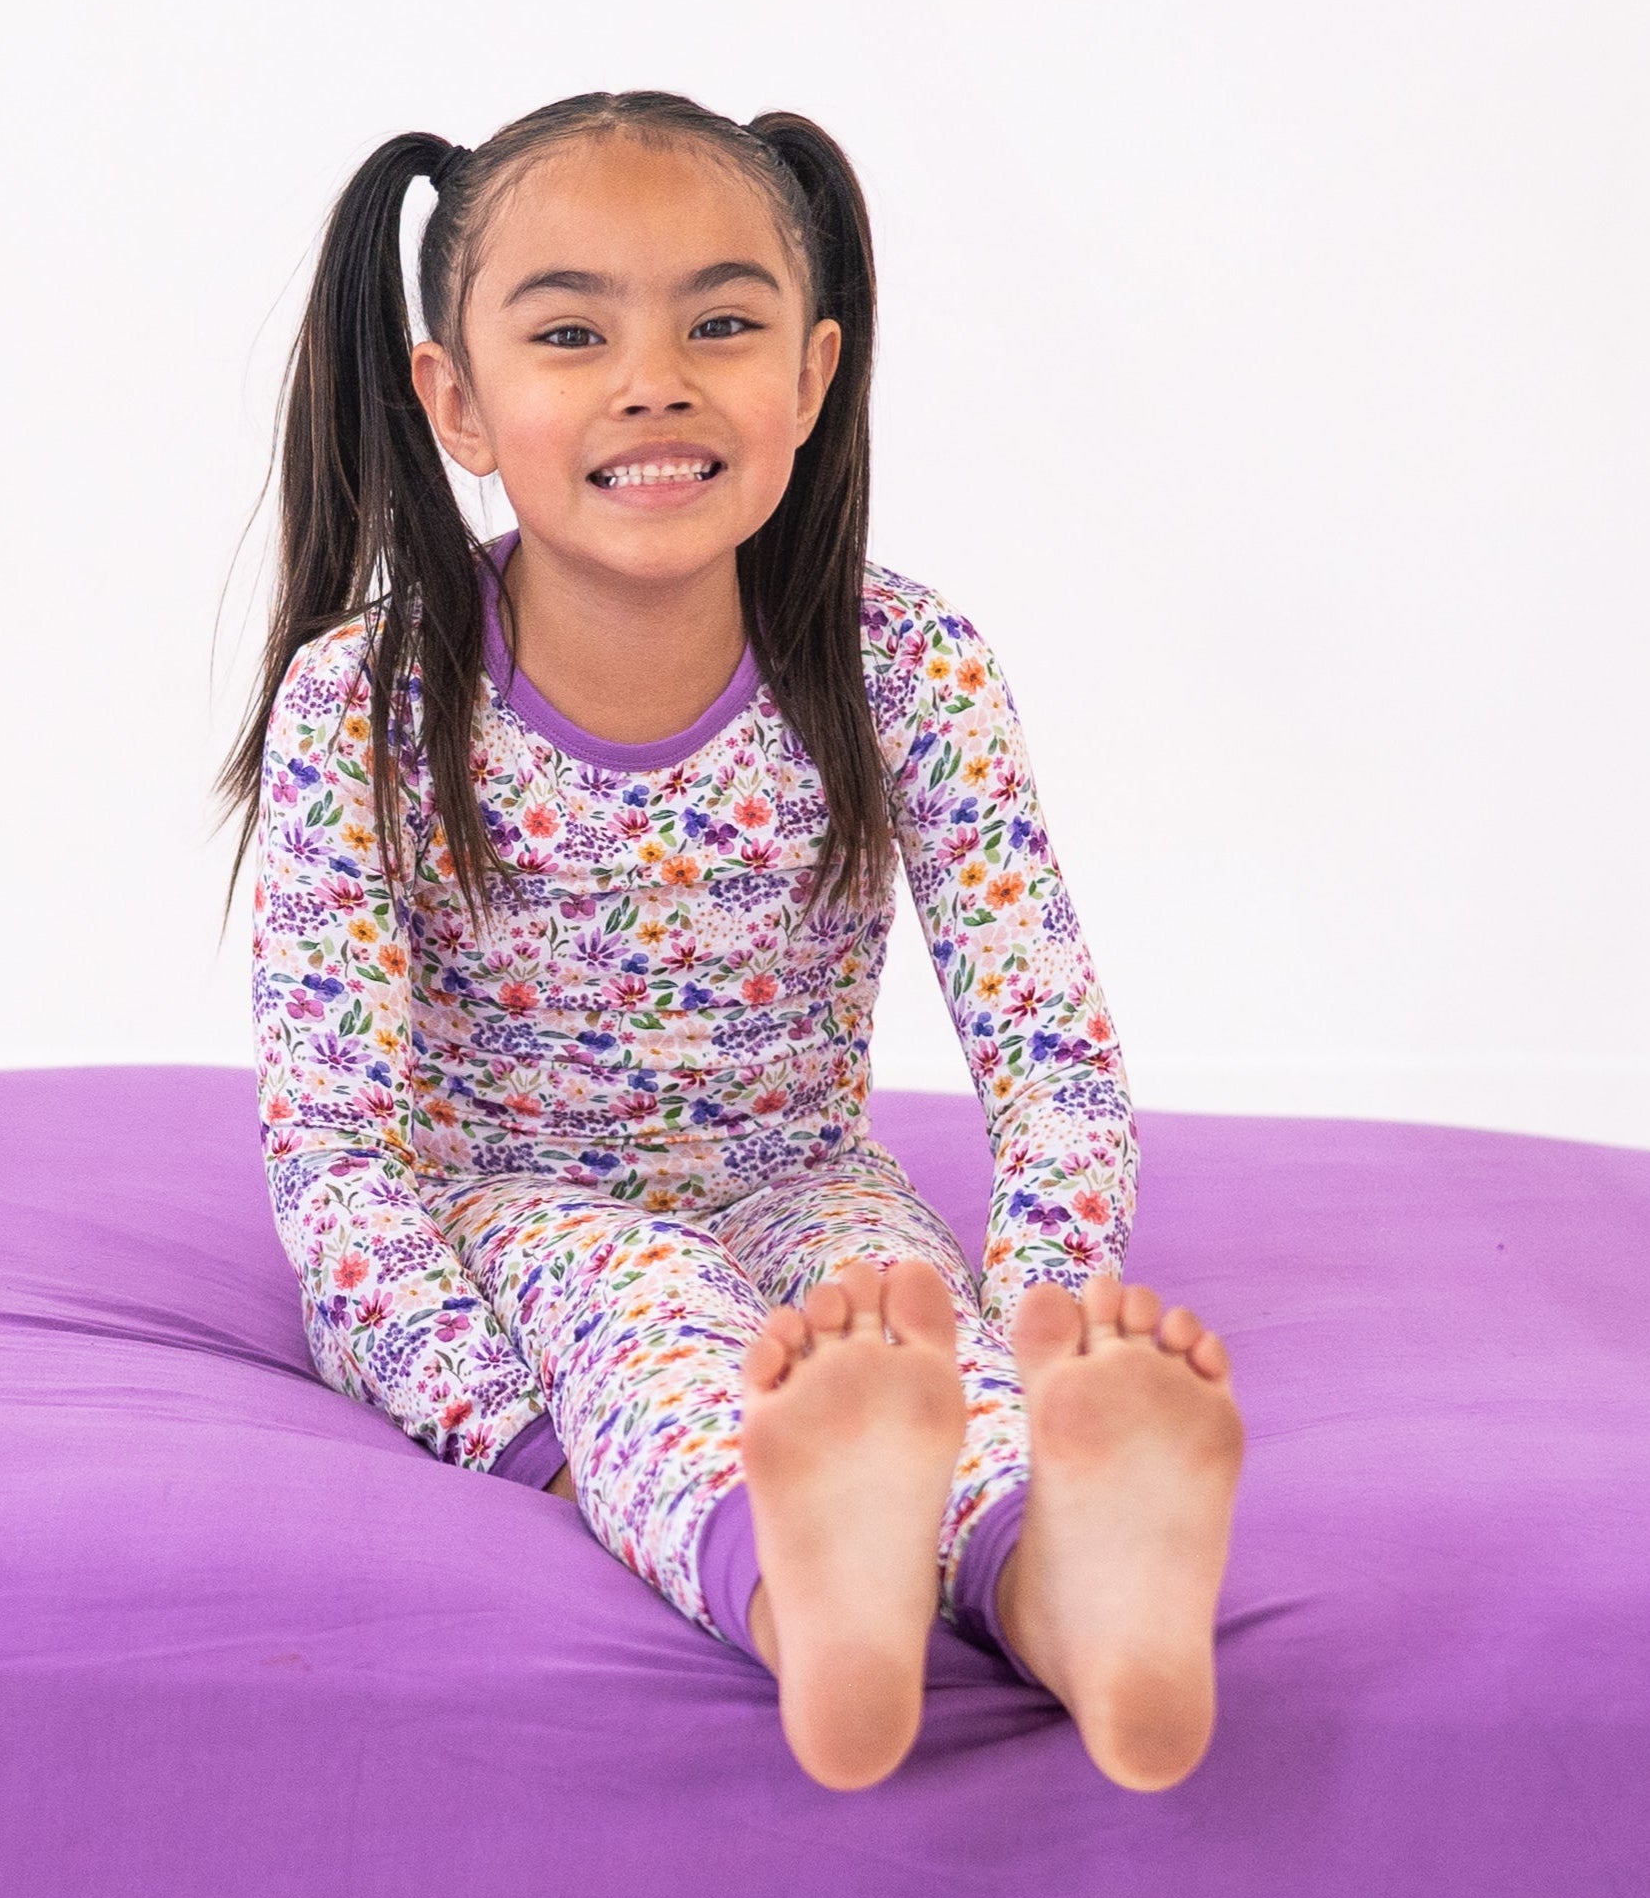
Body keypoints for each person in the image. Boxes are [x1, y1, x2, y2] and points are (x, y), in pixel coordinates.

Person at [233, 93, 1241, 1792]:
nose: (656, 380)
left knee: (919, 1346)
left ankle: (1087, 1589)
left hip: (807, 1179)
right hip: (523, 1205)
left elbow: (1049, 1049)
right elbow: (336, 1140)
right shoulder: (370, 698)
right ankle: (812, 1607)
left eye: (721, 324)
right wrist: (505, 1420)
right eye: (573, 332)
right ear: (456, 401)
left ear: (812, 373)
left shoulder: (903, 664)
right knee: (664, 1329)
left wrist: (1047, 1304)